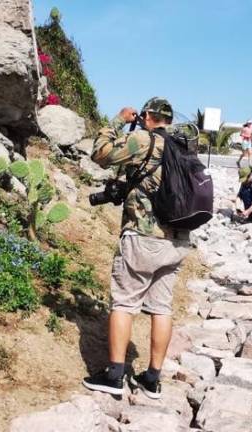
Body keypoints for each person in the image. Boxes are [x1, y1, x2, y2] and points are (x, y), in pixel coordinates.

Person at [84, 97, 188, 399]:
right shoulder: (182, 146)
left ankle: (115, 375)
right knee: (162, 308)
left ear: (148, 116)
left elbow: (100, 154)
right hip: (178, 240)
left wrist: (118, 121)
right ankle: (152, 380)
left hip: (144, 238)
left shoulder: (142, 139)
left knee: (124, 304)